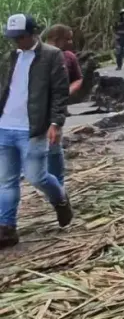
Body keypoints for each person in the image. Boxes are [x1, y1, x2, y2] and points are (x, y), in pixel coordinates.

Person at [0, 14, 73, 248]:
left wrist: (55, 123)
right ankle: (7, 228)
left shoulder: (52, 56)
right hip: (5, 125)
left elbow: (60, 93)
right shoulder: (11, 56)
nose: (17, 42)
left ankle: (60, 199)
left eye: (20, 36)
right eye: (14, 37)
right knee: (6, 180)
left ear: (33, 33)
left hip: (33, 128)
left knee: (36, 176)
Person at [42, 24, 83, 187]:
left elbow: (78, 78)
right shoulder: (38, 54)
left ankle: (57, 184)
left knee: (53, 144)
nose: (71, 42)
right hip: (36, 107)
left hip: (56, 108)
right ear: (56, 39)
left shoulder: (69, 57)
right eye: (68, 39)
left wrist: (66, 92)